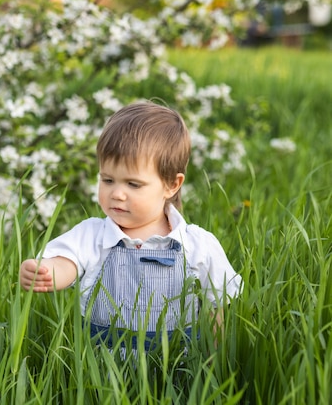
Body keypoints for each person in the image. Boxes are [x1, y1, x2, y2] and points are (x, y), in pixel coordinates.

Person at [19, 101, 242, 352]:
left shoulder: (196, 245)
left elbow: (219, 304)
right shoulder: (92, 235)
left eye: (133, 185)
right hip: (101, 372)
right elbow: (66, 262)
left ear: (172, 184)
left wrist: (215, 358)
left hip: (175, 371)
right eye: (108, 180)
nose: (117, 194)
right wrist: (46, 272)